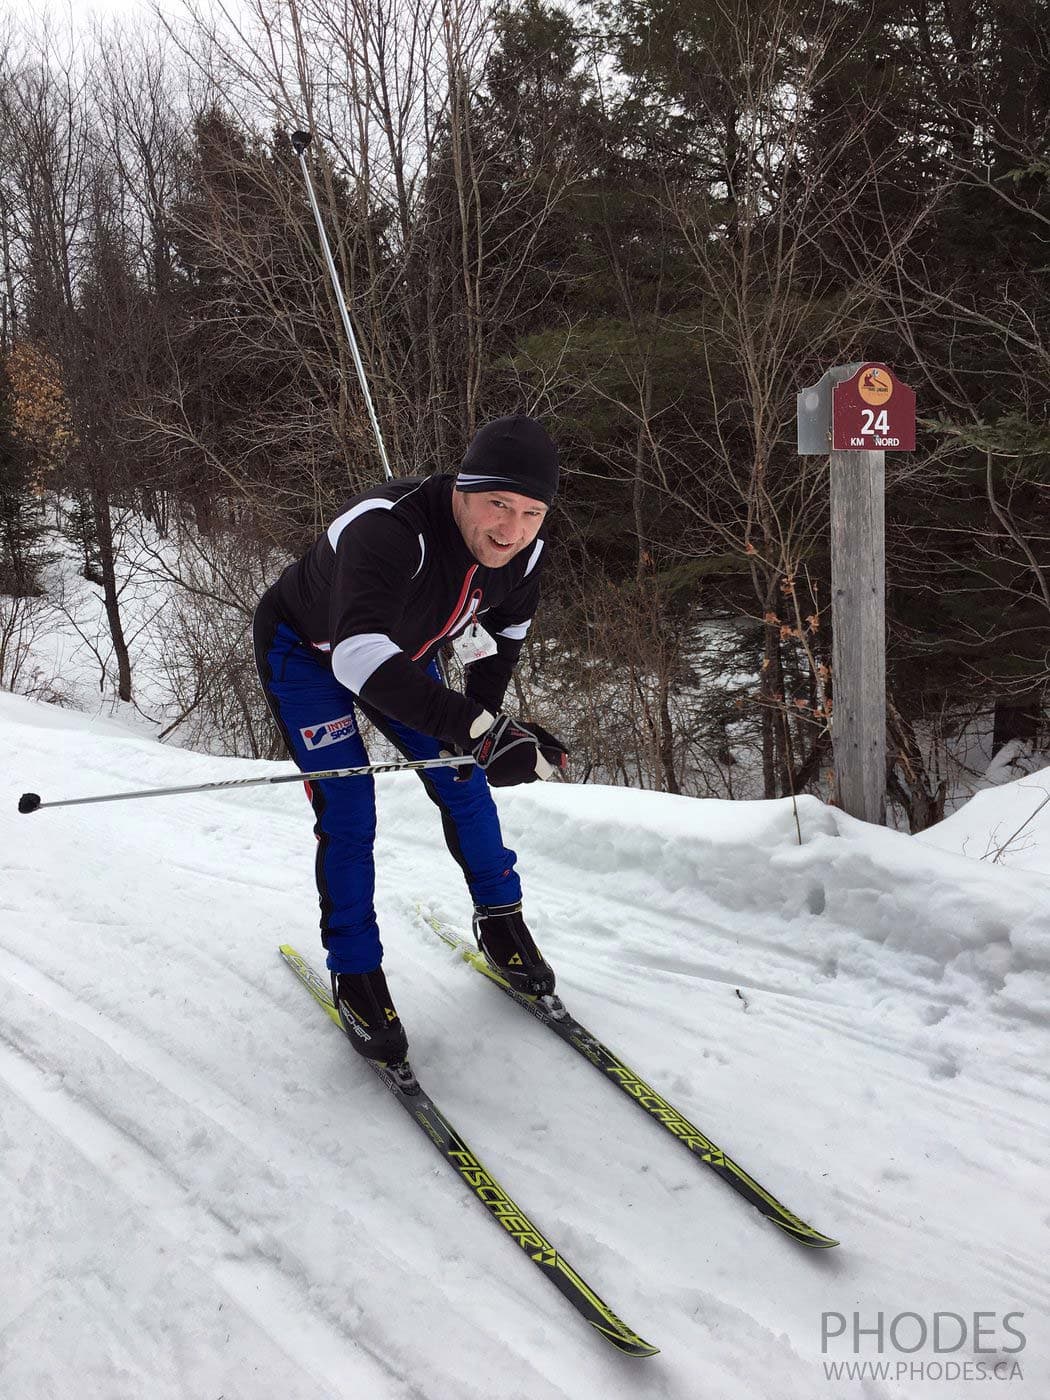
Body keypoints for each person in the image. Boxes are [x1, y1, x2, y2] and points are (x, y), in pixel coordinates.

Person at [253, 414, 568, 1066]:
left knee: (464, 779)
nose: (511, 530)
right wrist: (476, 730)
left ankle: (501, 921)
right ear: (463, 489)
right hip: (309, 654)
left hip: (399, 655)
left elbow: (496, 638)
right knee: (350, 808)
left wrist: (482, 729)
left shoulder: (527, 553)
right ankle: (356, 969)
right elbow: (354, 657)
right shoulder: (391, 529)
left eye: (531, 511)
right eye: (497, 505)